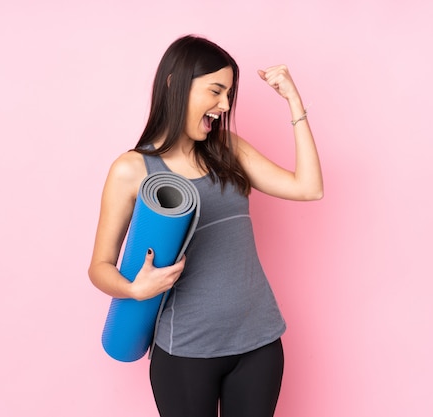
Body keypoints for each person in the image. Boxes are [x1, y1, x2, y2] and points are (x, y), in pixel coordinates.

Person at [88, 34, 323, 417]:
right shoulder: (132, 169)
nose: (224, 105)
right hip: (185, 353)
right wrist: (134, 288)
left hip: (259, 344)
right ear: (173, 83)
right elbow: (99, 268)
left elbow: (309, 188)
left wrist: (295, 103)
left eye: (229, 93)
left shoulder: (228, 149)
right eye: (216, 90)